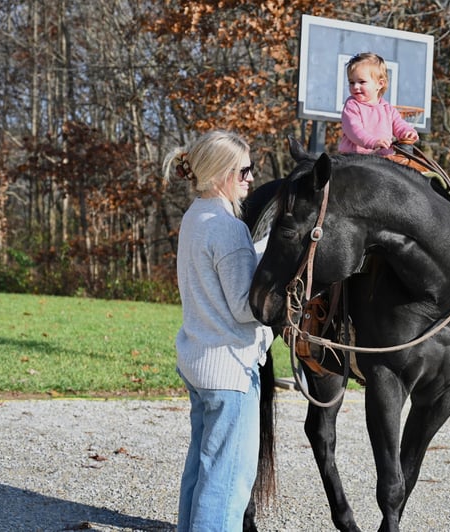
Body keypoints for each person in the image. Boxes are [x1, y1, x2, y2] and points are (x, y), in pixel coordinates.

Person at [162, 130, 273, 532]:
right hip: (230, 371)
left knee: (201, 467)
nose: (250, 178)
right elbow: (245, 310)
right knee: (227, 481)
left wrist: (255, 252)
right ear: (222, 173)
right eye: (244, 170)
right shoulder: (228, 228)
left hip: (198, 360)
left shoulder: (195, 216)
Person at [338, 52, 419, 157]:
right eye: (351, 82)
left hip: (383, 158)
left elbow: (399, 124)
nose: (355, 86)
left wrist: (407, 132)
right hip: (355, 157)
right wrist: (372, 142)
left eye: (362, 82)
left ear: (380, 84)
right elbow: (353, 130)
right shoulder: (352, 105)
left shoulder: (388, 109)